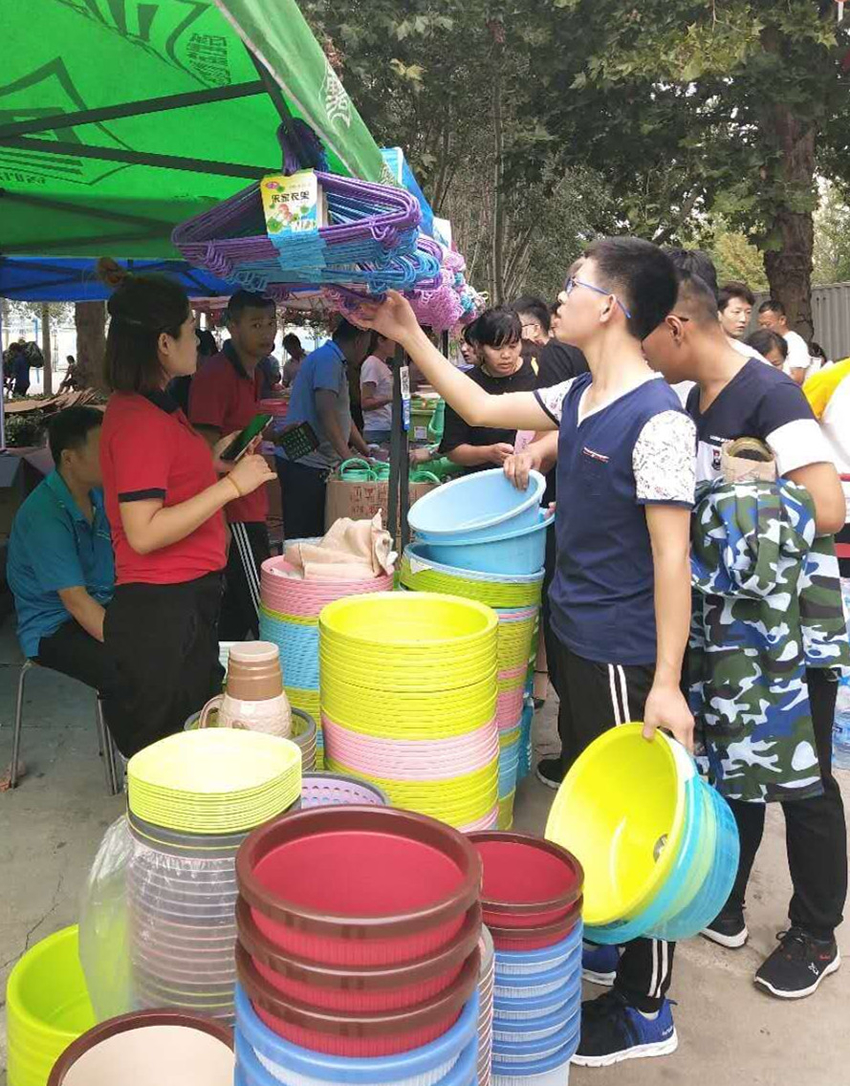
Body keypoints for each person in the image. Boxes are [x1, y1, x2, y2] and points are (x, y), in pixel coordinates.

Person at [355, 237, 696, 1066]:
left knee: (642, 815)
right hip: (574, 635)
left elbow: (671, 559)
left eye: (576, 283)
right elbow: (478, 403)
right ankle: (614, 941)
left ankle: (648, 1006)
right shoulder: (578, 394)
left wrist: (667, 682)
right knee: (592, 795)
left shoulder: (659, 420)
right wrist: (408, 333)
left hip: (623, 652)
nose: (563, 294)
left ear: (609, 308)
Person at [643, 271, 848, 999]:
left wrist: (724, 505)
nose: (642, 351)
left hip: (788, 635)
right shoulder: (694, 398)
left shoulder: (770, 395)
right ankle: (725, 901)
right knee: (731, 765)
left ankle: (816, 931)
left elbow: (827, 506)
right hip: (730, 629)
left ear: (677, 327)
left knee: (804, 781)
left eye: (645, 334)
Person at [96, 260, 275, 757]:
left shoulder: (159, 406)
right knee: (167, 755)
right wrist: (230, 487)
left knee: (190, 738)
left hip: (184, 601)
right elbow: (144, 531)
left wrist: (213, 463)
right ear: (163, 344)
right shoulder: (139, 419)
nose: (198, 341)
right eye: (190, 332)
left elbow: (166, 481)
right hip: (161, 610)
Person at [7, 407, 118, 704]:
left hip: (100, 604)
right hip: (53, 626)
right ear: (69, 458)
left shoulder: (99, 496)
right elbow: (75, 601)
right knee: (128, 668)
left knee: (168, 641)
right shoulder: (45, 514)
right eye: (102, 450)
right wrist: (127, 643)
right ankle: (139, 737)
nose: (112, 457)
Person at [189, 291, 279, 640]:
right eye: (256, 324)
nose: (266, 332)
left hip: (251, 503)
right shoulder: (215, 375)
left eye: (270, 322)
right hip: (235, 510)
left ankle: (217, 667)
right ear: (232, 326)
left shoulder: (255, 372)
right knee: (263, 612)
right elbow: (203, 453)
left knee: (236, 612)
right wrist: (221, 518)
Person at [276, 319, 373, 540]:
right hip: (305, 463)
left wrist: (364, 451)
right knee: (304, 537)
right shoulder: (328, 360)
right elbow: (326, 412)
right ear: (358, 341)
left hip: (315, 463)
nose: (366, 353)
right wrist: (347, 457)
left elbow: (343, 415)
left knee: (314, 533)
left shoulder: (334, 360)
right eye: (367, 346)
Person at [439, 308, 538, 473]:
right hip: (484, 480)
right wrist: (488, 453)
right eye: (497, 348)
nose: (506, 355)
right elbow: (453, 450)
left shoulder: (539, 371)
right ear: (479, 347)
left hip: (535, 477)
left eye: (513, 346)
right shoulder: (465, 386)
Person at [758, 299, 810, 384]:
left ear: (782, 320)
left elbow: (797, 378)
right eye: (761, 324)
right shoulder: (766, 342)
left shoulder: (795, 343)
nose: (763, 328)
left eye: (768, 324)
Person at [360, 334, 395, 445]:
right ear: (380, 341)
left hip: (386, 427)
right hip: (377, 429)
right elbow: (365, 403)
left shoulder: (382, 365)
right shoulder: (372, 364)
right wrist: (391, 398)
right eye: (394, 340)